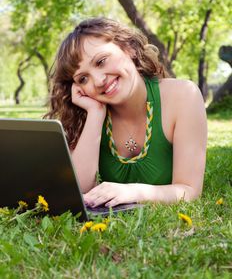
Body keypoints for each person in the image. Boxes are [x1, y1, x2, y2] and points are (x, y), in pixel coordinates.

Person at [46, 17, 207, 208]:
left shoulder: (183, 95)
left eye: (101, 61)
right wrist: (96, 114)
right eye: (83, 79)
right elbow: (79, 189)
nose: (98, 81)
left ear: (128, 47)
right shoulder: (86, 114)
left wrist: (133, 191)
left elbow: (189, 190)